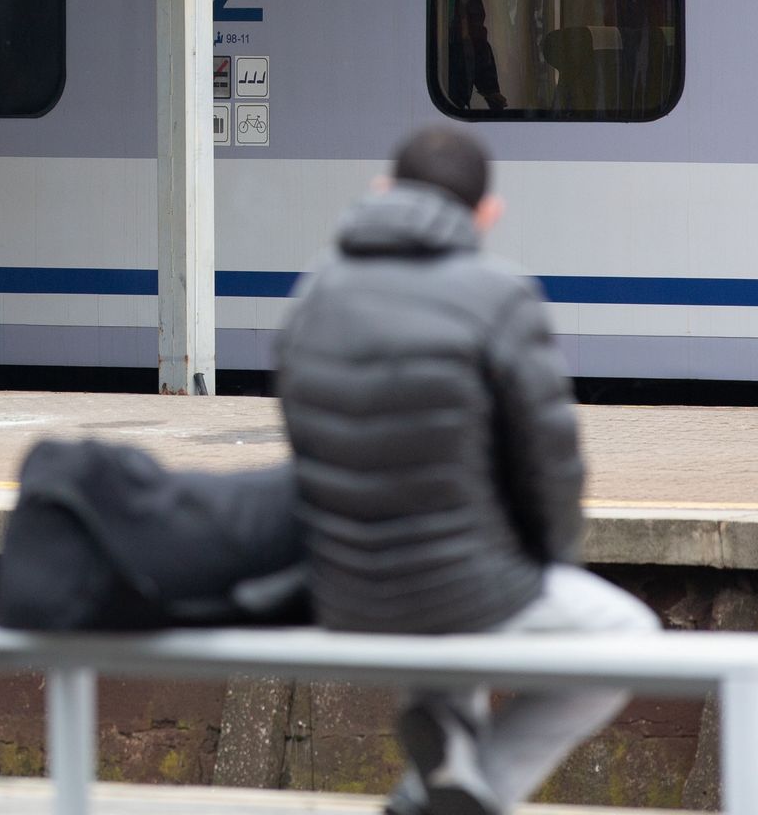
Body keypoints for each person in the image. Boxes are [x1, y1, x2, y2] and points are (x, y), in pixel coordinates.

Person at [275, 127, 658, 815]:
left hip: (339, 587)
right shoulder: (500, 297)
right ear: (487, 213)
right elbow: (551, 468)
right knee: (626, 636)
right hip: (460, 589)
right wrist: (549, 559)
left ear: (383, 191)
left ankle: (443, 759)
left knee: (452, 601)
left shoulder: (313, 295)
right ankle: (470, 788)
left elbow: (308, 451)